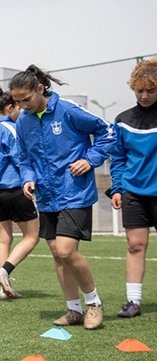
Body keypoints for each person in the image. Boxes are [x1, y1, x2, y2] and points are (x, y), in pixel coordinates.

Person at [10, 65, 115, 330]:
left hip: (74, 192)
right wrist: (28, 178)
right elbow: (24, 157)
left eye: (26, 99)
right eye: (17, 101)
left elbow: (107, 132)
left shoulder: (67, 110)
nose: (22, 106)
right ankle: (73, 310)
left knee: (67, 250)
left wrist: (90, 160)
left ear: (40, 89)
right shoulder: (24, 121)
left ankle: (93, 303)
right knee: (58, 254)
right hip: (46, 196)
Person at [0, 87, 40, 300]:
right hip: (13, 189)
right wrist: (33, 181)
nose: (21, 110)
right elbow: (20, 158)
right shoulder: (11, 129)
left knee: (4, 240)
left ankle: (4, 288)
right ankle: (5, 271)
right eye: (18, 106)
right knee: (32, 236)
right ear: (9, 107)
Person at [107, 58, 157, 318]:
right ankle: (133, 302)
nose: (145, 95)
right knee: (135, 245)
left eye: (151, 90)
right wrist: (117, 188)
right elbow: (118, 158)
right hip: (133, 192)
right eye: (140, 91)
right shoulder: (123, 120)